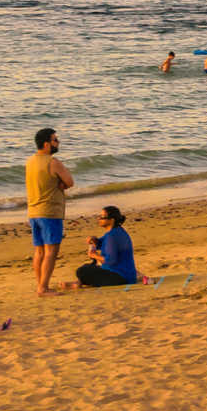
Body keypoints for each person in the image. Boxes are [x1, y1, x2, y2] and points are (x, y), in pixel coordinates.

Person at [26, 127, 74, 297]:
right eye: (55, 140)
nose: (58, 142)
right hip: (50, 211)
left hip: (33, 210)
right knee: (51, 251)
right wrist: (61, 185)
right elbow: (69, 181)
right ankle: (43, 287)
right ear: (46, 144)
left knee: (39, 251)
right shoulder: (53, 162)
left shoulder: (30, 161)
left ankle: (41, 284)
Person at [76, 206, 139, 285]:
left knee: (82, 271)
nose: (99, 219)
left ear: (112, 220)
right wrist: (94, 240)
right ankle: (79, 283)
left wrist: (94, 255)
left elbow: (110, 261)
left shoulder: (111, 236)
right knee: (88, 267)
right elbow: (102, 243)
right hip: (128, 275)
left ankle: (80, 282)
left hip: (121, 277)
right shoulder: (118, 231)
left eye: (102, 217)